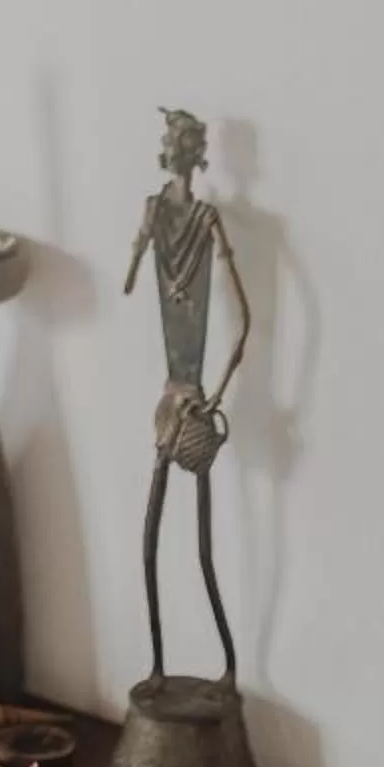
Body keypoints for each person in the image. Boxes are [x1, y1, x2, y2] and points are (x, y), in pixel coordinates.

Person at [123, 109, 252, 688]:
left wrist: (217, 400)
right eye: (171, 143)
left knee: (203, 548)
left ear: (196, 154)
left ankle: (227, 666)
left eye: (184, 143)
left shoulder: (209, 219)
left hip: (196, 404)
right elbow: (128, 283)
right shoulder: (157, 213)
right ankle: (156, 666)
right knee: (149, 541)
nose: (176, 153)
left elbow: (245, 323)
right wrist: (141, 237)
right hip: (169, 403)